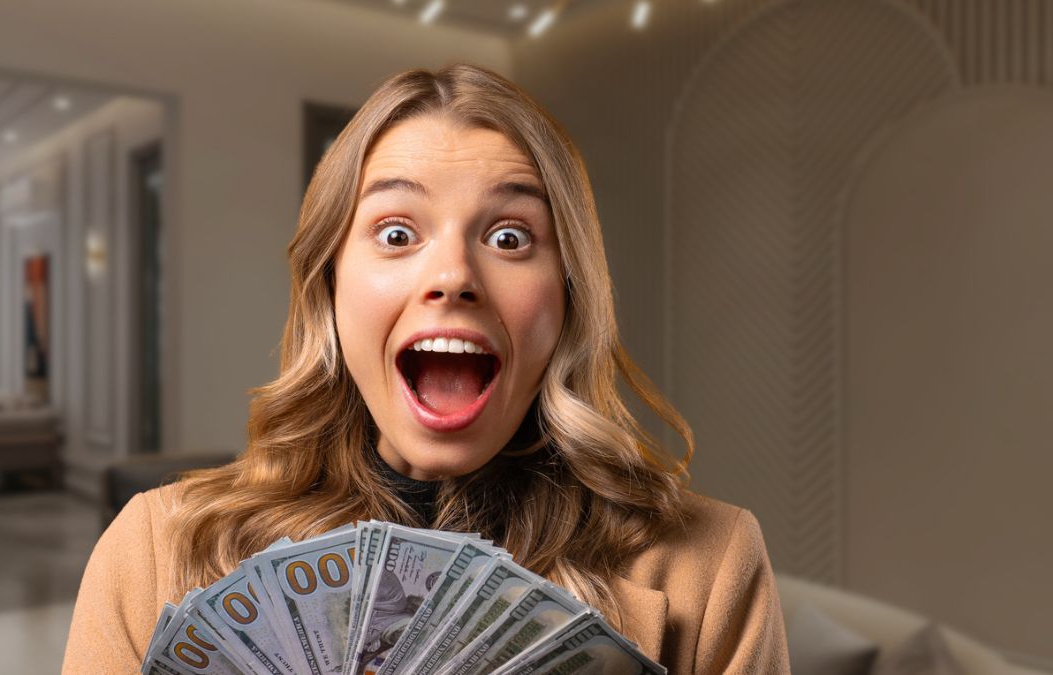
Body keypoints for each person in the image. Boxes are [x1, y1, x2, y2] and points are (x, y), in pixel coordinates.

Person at [62, 62, 788, 674]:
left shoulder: (713, 564)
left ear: (567, 295)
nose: (453, 275)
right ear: (331, 285)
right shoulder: (152, 552)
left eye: (509, 236)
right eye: (398, 231)